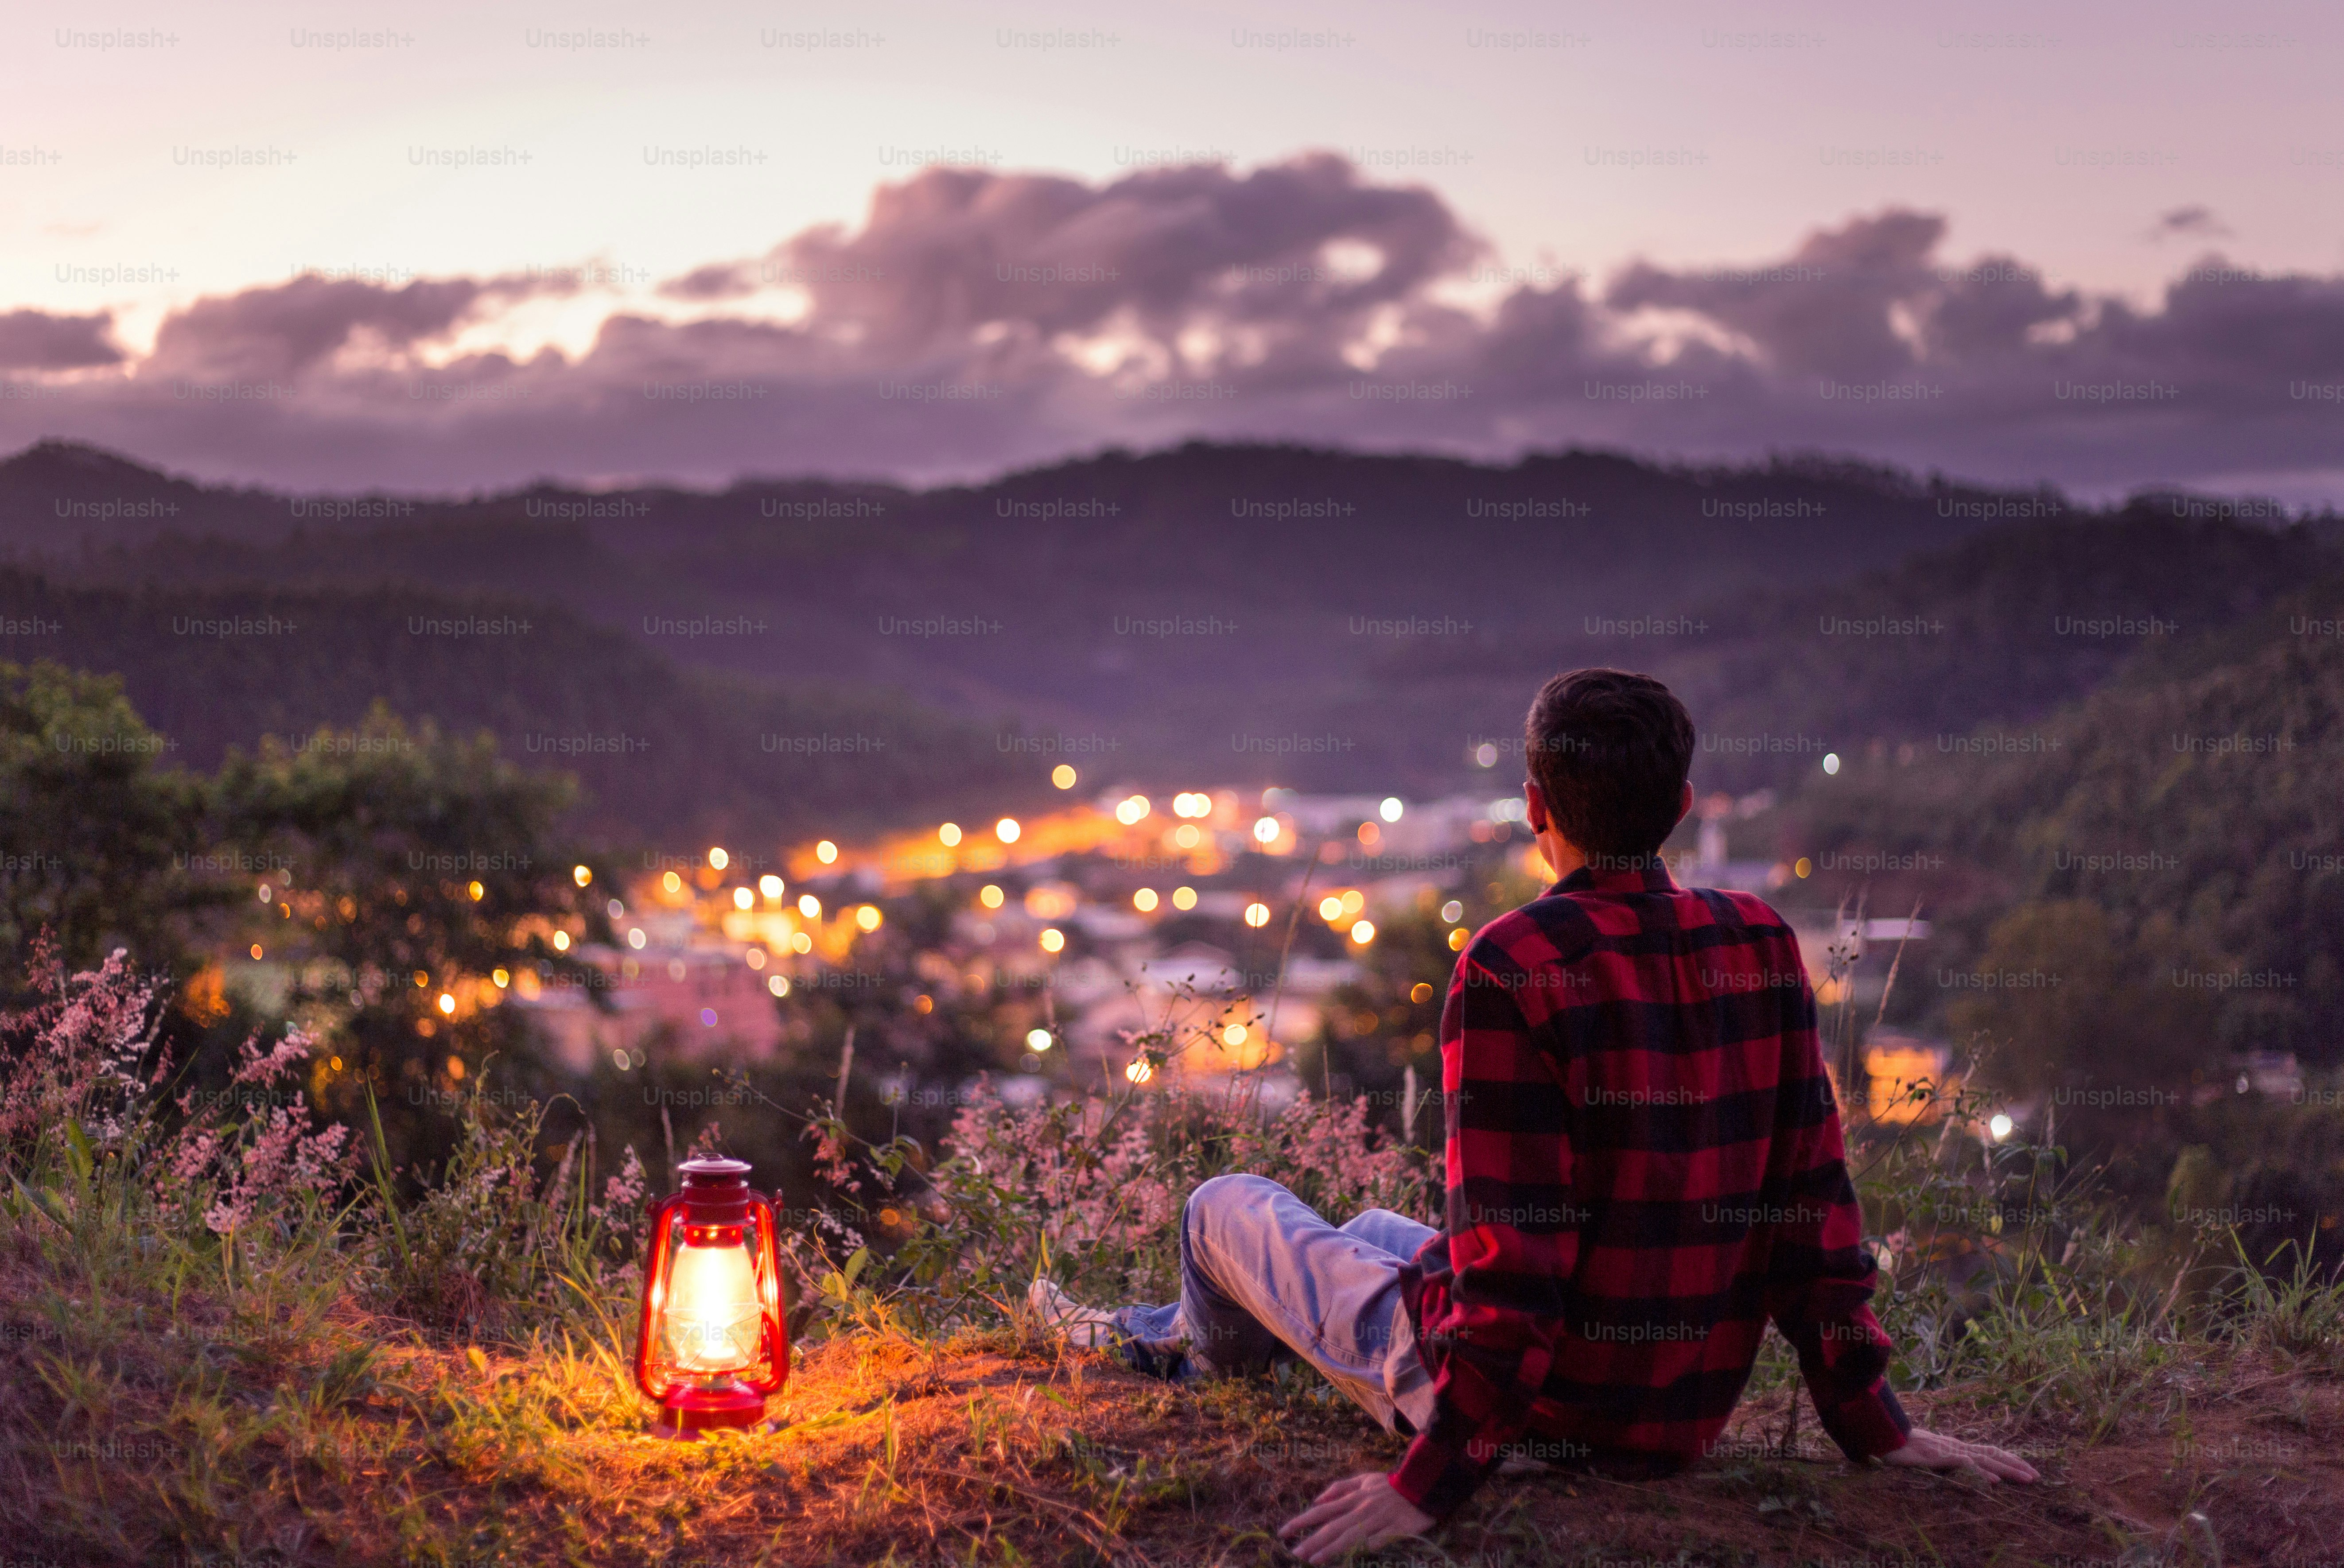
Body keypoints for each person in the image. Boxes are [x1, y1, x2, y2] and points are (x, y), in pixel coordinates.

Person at [1030, 669, 2038, 1563]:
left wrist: (1427, 1486)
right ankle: (1174, 1330)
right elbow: (1813, 1211)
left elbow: (1519, 1269)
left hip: (1533, 1415)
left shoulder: (1514, 964)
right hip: (1679, 1411)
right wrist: (1873, 1424)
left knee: (1222, 1203)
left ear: (1533, 806)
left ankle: (1166, 1350)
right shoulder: (1761, 942)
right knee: (1381, 1233)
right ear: (1681, 805)